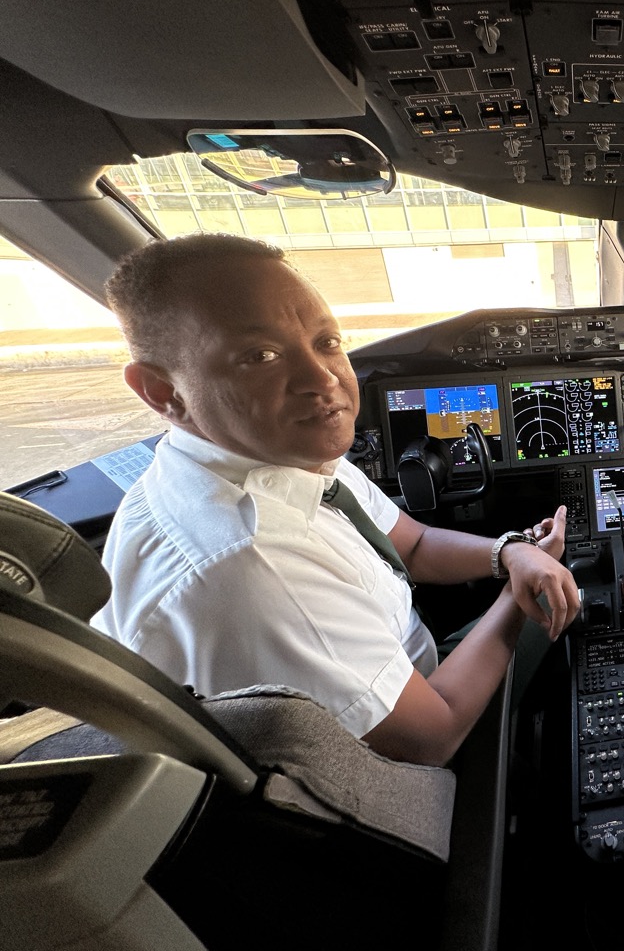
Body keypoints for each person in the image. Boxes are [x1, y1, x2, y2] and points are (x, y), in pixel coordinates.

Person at [91, 233, 581, 767]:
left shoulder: (274, 451)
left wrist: (511, 553)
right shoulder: (253, 566)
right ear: (163, 392)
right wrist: (521, 591)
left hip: (396, 676)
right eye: (261, 355)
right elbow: (431, 739)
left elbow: (412, 546)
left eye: (327, 341)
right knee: (591, 608)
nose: (323, 379)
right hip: (405, 753)